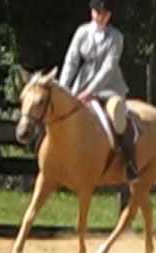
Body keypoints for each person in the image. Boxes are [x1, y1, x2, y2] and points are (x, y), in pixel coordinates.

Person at [59, 0, 138, 183]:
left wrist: (90, 91)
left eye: (104, 13)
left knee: (118, 118)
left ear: (109, 15)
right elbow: (71, 61)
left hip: (109, 89)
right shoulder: (82, 32)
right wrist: (63, 88)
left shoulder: (116, 37)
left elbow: (108, 68)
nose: (100, 16)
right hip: (81, 85)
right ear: (92, 12)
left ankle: (129, 163)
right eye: (97, 12)